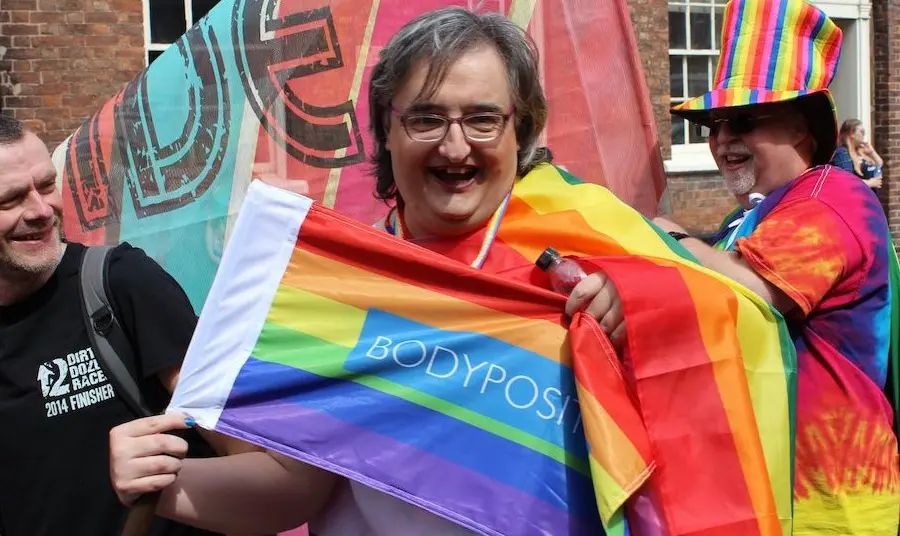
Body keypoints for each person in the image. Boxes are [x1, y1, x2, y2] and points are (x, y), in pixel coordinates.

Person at [107, 8, 628, 535]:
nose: (454, 146)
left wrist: (640, 319)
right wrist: (162, 482)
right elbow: (295, 489)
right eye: (425, 118)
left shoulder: (591, 257)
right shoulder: (336, 281)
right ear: (386, 130)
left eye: (483, 118)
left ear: (522, 129)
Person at [652, 1, 900, 534]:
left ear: (802, 128)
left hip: (830, 505)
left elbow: (751, 289)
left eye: (743, 120)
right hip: (771, 493)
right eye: (713, 124)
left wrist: (658, 232)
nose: (720, 140)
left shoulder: (832, 199)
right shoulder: (757, 216)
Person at [0, 114, 246, 536]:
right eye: (10, 199)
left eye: (46, 185)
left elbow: (253, 454)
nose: (42, 211)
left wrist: (165, 479)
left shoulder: (119, 282)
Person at [832, 118, 884, 189]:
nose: (864, 134)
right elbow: (846, 181)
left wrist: (872, 153)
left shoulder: (860, 152)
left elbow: (879, 168)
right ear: (851, 134)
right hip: (857, 197)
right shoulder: (842, 153)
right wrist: (869, 183)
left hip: (870, 197)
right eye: (862, 132)